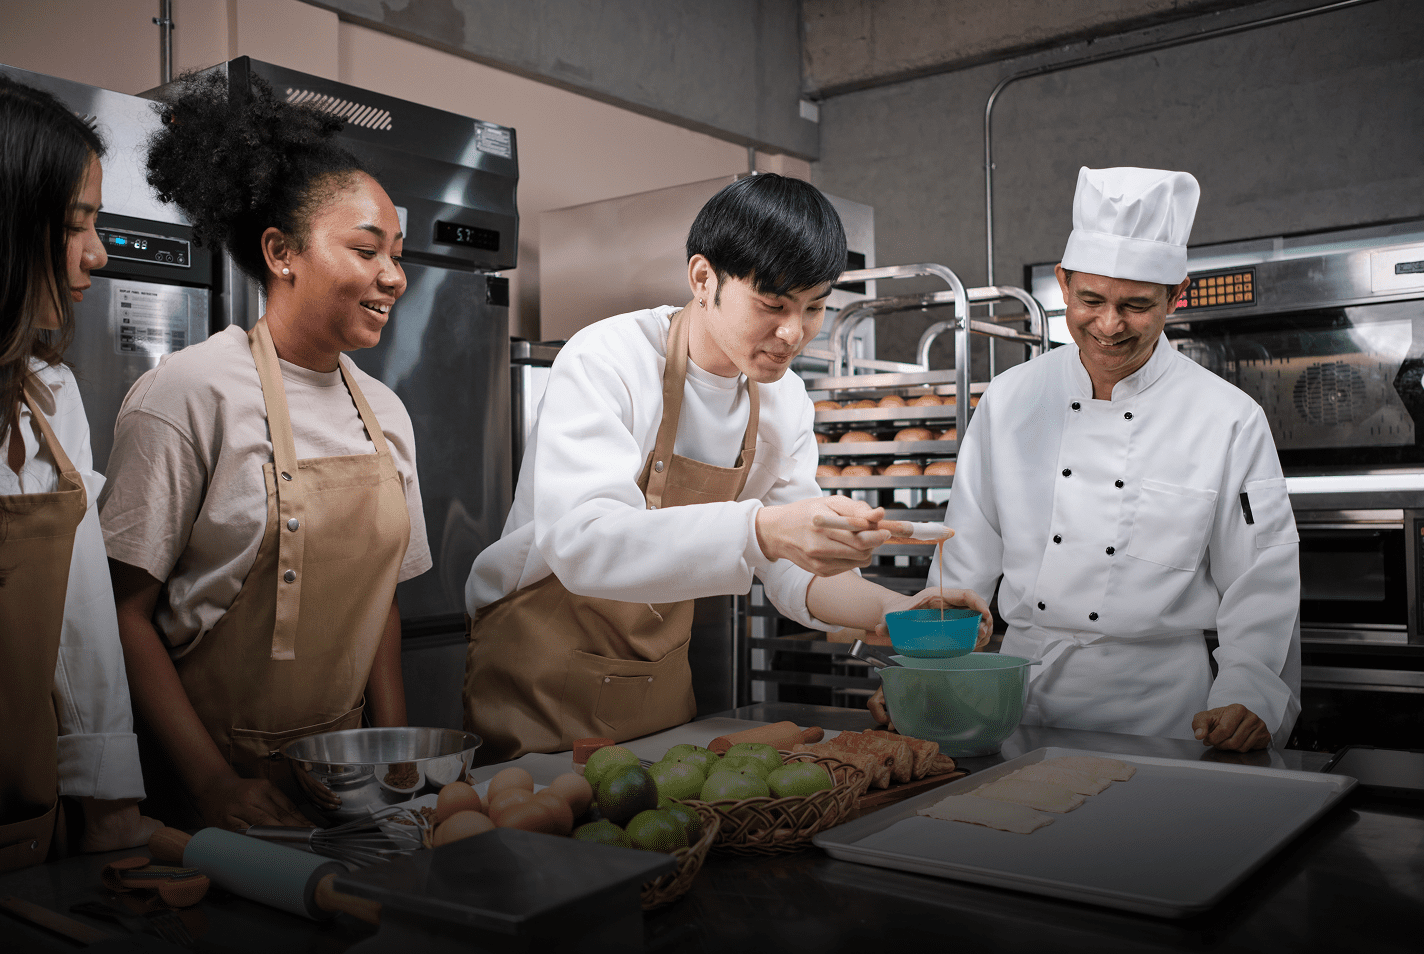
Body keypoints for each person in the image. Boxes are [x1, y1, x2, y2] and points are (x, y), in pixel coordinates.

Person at [464, 174, 989, 763]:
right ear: (702, 278)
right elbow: (581, 544)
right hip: (541, 675)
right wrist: (761, 529)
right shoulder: (607, 359)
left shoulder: (783, 401)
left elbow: (793, 571)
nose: (793, 333)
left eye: (814, 307)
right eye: (772, 304)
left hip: (656, 686)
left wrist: (893, 611)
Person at [871, 167, 1300, 752]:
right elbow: (962, 564)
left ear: (1177, 297)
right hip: (1017, 696)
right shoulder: (1011, 398)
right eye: (1090, 300)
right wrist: (926, 675)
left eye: (1136, 306)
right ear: (1063, 284)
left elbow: (1260, 576)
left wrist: (1249, 690)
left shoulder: (1228, 418)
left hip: (1163, 710)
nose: (1108, 325)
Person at [101, 72, 431, 829]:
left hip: (347, 787)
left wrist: (395, 752)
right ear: (282, 252)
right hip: (208, 794)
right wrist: (215, 784)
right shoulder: (188, 394)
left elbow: (381, 602)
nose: (394, 276)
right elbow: (125, 615)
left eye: (398, 253)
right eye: (366, 249)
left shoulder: (386, 414)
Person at [0, 76, 160, 870]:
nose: (99, 252)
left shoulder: (49, 397)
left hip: (30, 835)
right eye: (74, 225)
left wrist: (112, 806)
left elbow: (82, 616)